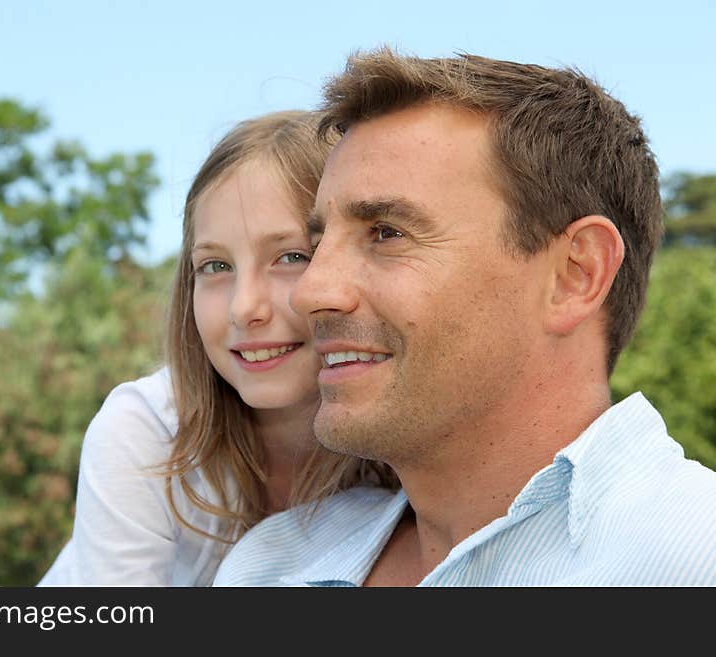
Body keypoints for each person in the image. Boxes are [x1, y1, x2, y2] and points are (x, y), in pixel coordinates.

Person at [213, 48, 716, 586]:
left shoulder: (693, 560)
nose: (309, 292)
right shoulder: (266, 566)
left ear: (577, 274)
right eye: (317, 244)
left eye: (386, 233)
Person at [38, 110, 396, 586]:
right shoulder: (145, 433)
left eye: (291, 257)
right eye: (214, 266)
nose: (244, 307)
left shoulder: (400, 450)